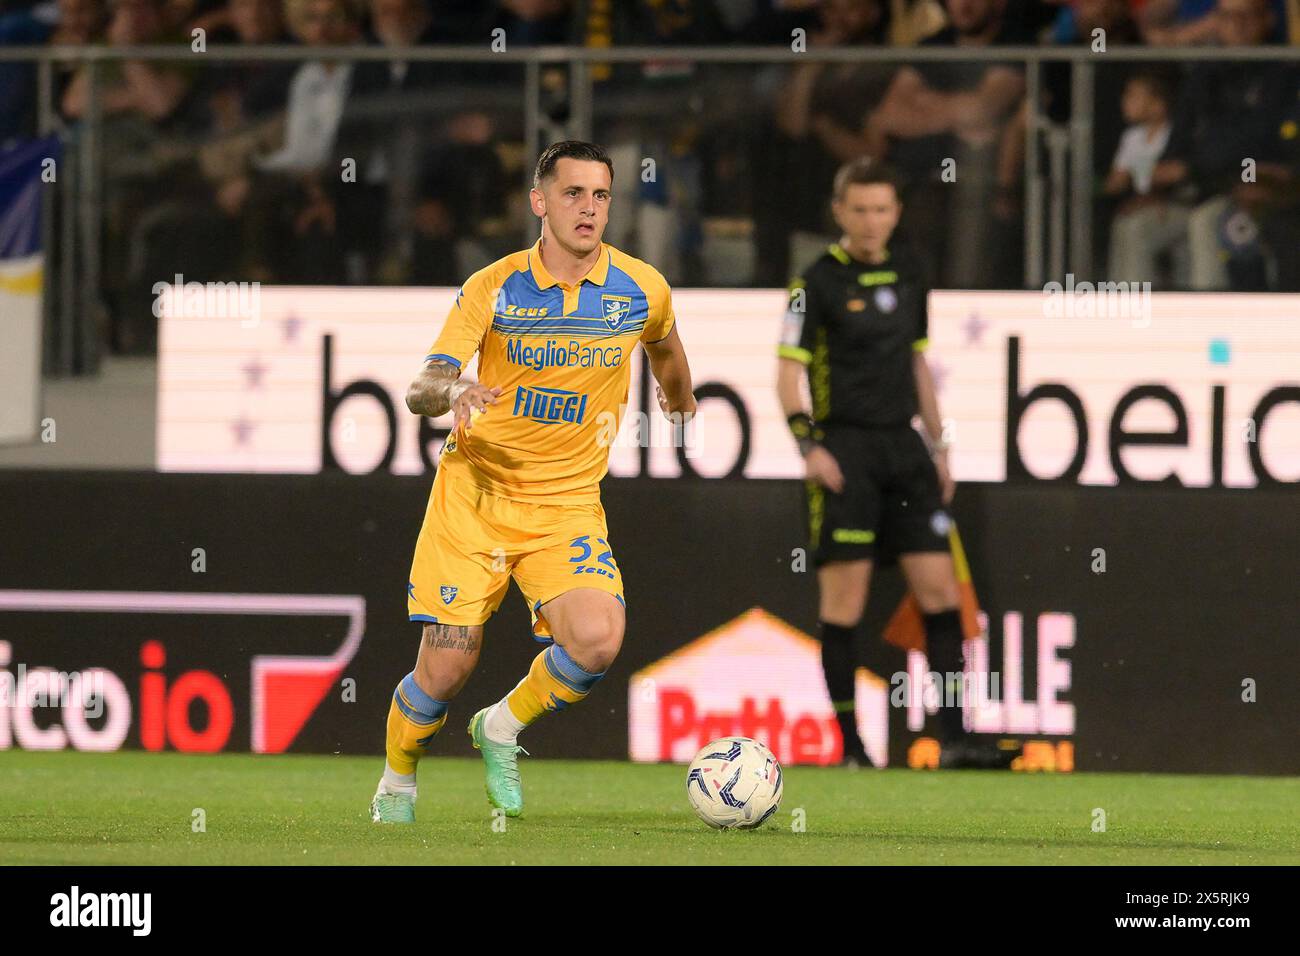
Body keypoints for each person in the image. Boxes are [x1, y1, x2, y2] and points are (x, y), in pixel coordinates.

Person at [372, 140, 697, 823]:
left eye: (601, 195)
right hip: (476, 498)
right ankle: (398, 780)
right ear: (539, 202)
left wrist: (679, 396)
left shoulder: (640, 287)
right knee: (447, 668)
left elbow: (664, 341)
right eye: (574, 193)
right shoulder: (492, 286)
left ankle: (500, 725)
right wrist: (454, 386)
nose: (589, 208)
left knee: (599, 639)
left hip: (567, 506)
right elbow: (420, 388)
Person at [775, 158, 1006, 770]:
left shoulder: (911, 270)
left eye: (882, 209)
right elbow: (787, 373)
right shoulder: (815, 281)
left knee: (940, 595)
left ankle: (954, 739)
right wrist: (809, 444)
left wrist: (938, 443)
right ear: (840, 211)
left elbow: (917, 364)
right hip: (845, 450)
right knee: (843, 604)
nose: (872, 220)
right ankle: (852, 750)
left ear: (895, 213)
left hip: (905, 451)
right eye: (861, 209)